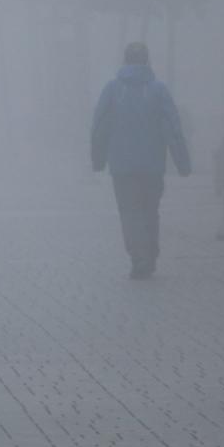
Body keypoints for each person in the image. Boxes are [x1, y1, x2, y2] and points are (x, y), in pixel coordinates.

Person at [91, 42, 192, 279]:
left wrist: (98, 160)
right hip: (152, 165)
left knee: (130, 212)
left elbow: (99, 128)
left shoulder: (112, 90)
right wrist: (182, 162)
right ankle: (150, 253)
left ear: (125, 61)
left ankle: (139, 257)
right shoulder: (159, 90)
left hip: (122, 167)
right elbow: (173, 128)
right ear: (147, 61)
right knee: (150, 211)